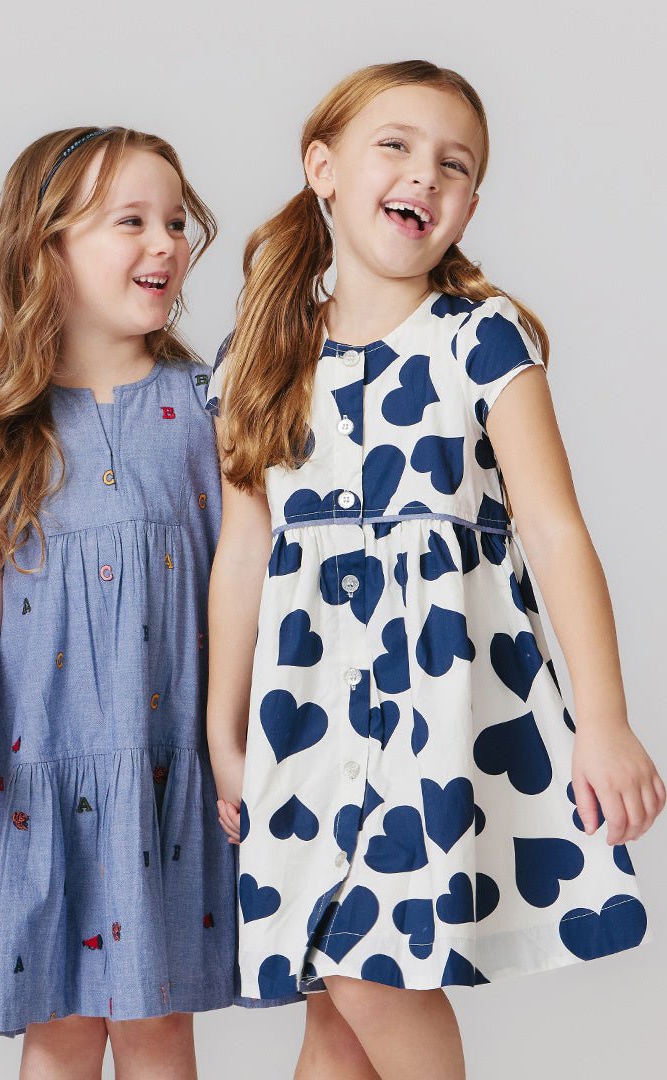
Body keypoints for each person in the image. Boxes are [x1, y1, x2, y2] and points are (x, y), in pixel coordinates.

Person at [205, 60, 665, 1080]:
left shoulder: (481, 339)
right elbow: (242, 554)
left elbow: (554, 530)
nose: (426, 173)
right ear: (323, 168)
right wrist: (222, 732)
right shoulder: (256, 361)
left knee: (368, 974)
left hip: (434, 709)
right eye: (397, 145)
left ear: (469, 206)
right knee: (333, 1001)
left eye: (456, 164)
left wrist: (605, 719)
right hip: (306, 721)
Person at [0, 126, 232, 1079]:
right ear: (44, 249)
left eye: (175, 222)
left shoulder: (210, 404)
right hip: (36, 766)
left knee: (157, 1028)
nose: (166, 243)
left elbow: (245, 579)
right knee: (56, 1025)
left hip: (164, 762)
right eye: (131, 221)